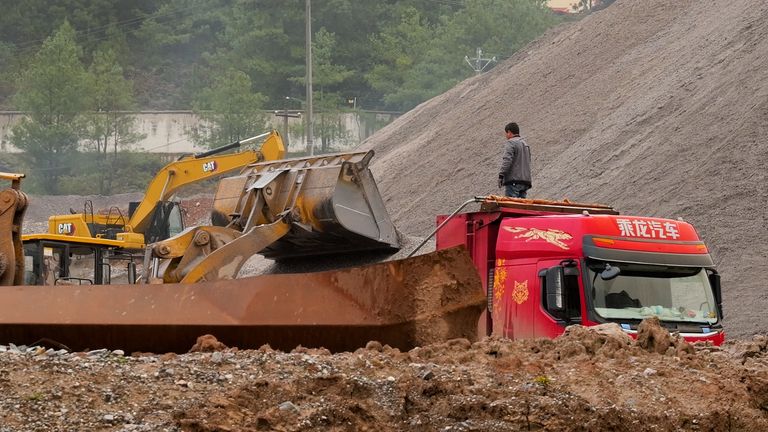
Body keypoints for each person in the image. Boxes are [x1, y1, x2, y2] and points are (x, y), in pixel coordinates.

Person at [498, 122, 532, 198]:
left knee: (511, 206)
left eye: (506, 133)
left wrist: (501, 175)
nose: (506, 136)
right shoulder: (525, 144)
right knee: (521, 208)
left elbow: (507, 160)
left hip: (514, 182)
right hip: (525, 182)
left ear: (509, 132)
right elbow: (528, 161)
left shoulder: (511, 143)